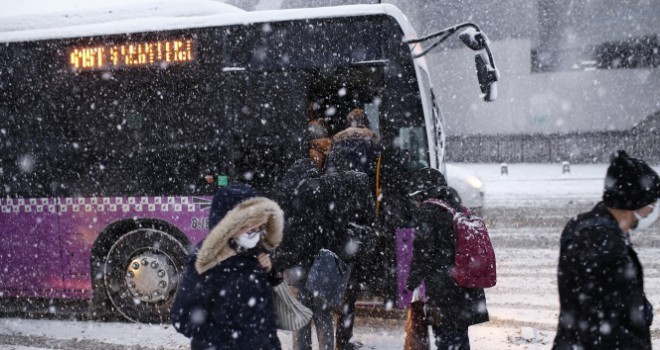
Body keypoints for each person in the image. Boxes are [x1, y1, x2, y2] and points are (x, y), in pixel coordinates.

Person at [553, 150, 660, 350]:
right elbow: (600, 323)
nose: (654, 210)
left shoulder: (593, 228)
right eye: (652, 204)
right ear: (633, 201)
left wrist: (641, 309)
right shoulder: (601, 242)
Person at [170, 183, 284, 350]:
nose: (254, 231)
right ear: (226, 226)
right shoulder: (206, 263)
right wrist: (231, 340)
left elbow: (264, 316)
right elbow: (182, 317)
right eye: (247, 225)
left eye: (259, 225)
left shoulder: (255, 255)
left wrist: (270, 273)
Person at [406, 167, 489, 350]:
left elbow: (422, 253)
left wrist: (410, 282)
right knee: (460, 338)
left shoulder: (428, 211)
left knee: (445, 340)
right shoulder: (456, 206)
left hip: (443, 290)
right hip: (464, 285)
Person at [271, 158, 336, 350]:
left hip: (295, 263)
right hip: (322, 262)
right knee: (323, 314)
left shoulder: (287, 190)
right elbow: (332, 226)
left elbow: (281, 231)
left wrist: (279, 262)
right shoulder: (324, 190)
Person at [324, 108, 380, 177]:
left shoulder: (337, 139)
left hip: (341, 183)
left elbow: (330, 167)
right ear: (366, 122)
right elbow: (375, 168)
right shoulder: (373, 139)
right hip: (366, 183)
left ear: (348, 122)